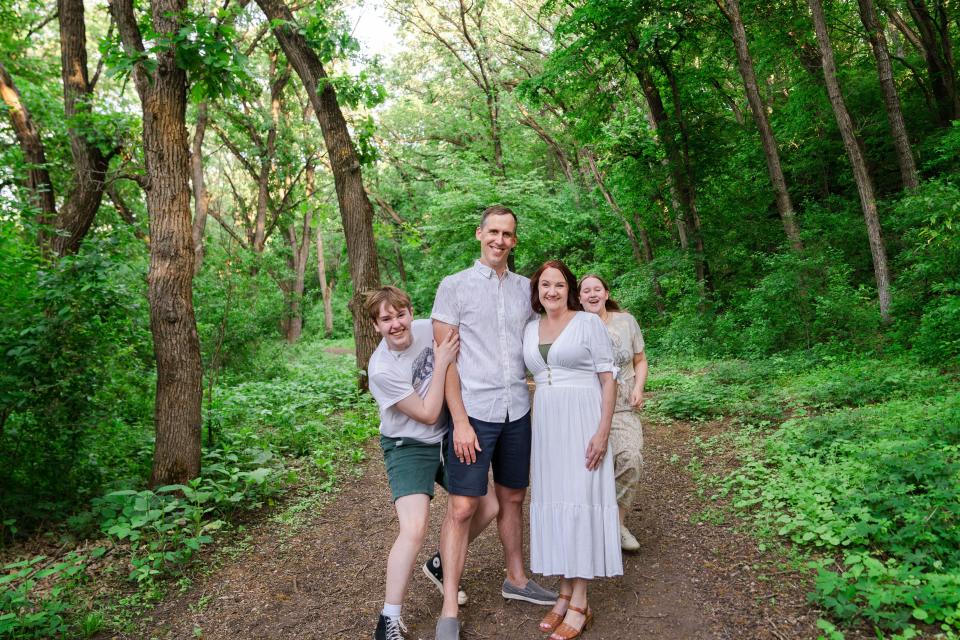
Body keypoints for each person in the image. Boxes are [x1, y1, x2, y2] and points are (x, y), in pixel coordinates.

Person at [430, 206, 558, 640]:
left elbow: (556, 320)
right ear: (479, 234)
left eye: (508, 234)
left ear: (514, 241)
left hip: (517, 408)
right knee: (463, 506)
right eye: (493, 232)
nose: (500, 240)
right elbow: (445, 362)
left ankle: (516, 579)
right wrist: (460, 422)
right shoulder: (454, 287)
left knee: (513, 497)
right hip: (474, 412)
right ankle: (449, 603)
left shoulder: (527, 289)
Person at [365, 286, 498, 640]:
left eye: (400, 314)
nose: (396, 324)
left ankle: (440, 562)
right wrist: (440, 363)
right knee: (414, 527)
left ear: (410, 312)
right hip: (408, 444)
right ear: (375, 326)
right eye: (386, 319)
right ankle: (388, 619)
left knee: (489, 505)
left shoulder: (428, 328)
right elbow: (425, 413)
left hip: (447, 435)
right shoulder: (380, 369)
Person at [523, 260, 621, 640]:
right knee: (558, 501)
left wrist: (602, 431)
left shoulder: (587, 323)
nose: (552, 291)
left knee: (580, 501)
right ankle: (564, 593)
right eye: (545, 285)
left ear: (570, 289)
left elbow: (608, 379)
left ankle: (581, 601)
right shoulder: (530, 328)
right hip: (547, 424)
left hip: (583, 419)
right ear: (538, 290)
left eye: (559, 284)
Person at [579, 274, 648, 551]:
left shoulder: (626, 322)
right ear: (580, 297)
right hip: (585, 408)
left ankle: (616, 523)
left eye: (598, 289)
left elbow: (640, 360)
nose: (592, 294)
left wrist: (640, 388)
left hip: (622, 407)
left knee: (630, 458)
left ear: (606, 294)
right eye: (586, 291)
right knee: (590, 466)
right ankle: (587, 524)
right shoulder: (574, 325)